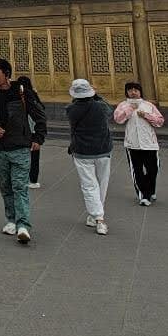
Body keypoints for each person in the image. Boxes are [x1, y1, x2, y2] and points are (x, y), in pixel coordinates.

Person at [0, 61, 46, 244]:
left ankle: (23, 224)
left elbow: (39, 115)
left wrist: (38, 138)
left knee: (19, 186)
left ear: (6, 73)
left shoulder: (21, 92)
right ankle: (11, 219)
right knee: (6, 186)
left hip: (20, 146)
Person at [67, 79, 113, 235]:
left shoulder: (71, 109)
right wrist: (96, 95)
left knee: (89, 185)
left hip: (82, 151)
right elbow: (110, 111)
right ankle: (97, 215)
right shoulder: (100, 107)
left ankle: (98, 217)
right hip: (103, 149)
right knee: (102, 183)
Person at [113, 82, 165, 206]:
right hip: (132, 144)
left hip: (149, 143)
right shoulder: (123, 105)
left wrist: (146, 115)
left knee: (153, 169)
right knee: (137, 171)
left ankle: (150, 189)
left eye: (136, 90)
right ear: (127, 92)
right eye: (130, 90)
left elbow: (160, 122)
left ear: (140, 92)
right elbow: (118, 120)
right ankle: (143, 196)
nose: (133, 92)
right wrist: (130, 109)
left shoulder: (148, 105)